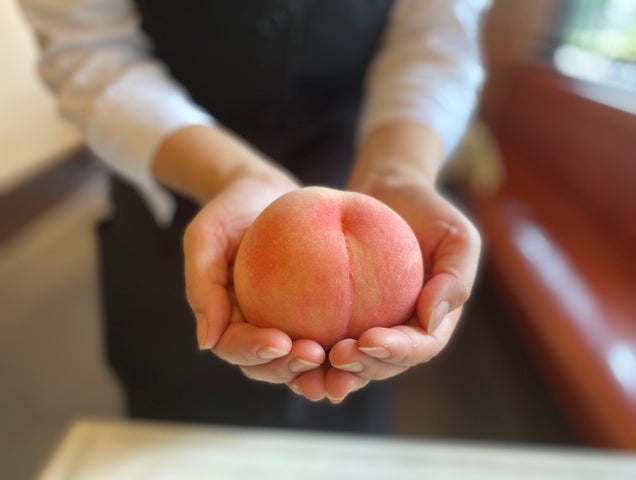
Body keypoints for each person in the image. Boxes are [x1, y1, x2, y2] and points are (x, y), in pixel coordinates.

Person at [21, 0, 486, 432]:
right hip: (176, 185)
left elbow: (437, 39)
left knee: (343, 427)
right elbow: (89, 55)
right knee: (182, 425)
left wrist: (397, 171)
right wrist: (230, 173)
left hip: (361, 170)